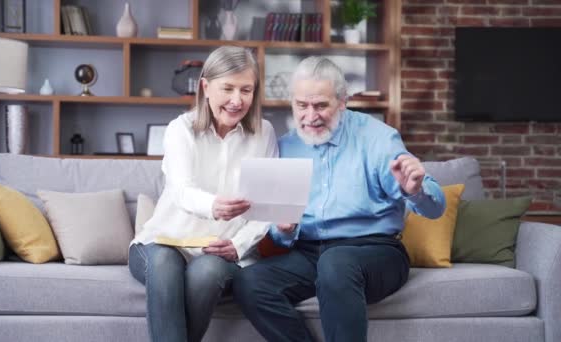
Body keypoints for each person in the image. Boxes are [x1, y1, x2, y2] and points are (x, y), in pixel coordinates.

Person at [233, 56, 446, 342]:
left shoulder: (377, 138)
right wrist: (284, 230)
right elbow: (280, 234)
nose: (310, 116)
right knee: (249, 281)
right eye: (302, 106)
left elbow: (436, 209)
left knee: (336, 262)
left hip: (376, 252)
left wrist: (415, 190)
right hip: (310, 253)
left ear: (343, 101)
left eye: (321, 105)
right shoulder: (285, 146)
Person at [128, 46, 278, 342]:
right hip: (163, 242)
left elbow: (267, 207)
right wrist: (214, 206)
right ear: (206, 87)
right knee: (163, 266)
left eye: (246, 90)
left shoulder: (265, 133)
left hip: (223, 252)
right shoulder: (180, 130)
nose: (237, 100)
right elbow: (182, 190)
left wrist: (238, 244)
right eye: (228, 88)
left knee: (206, 273)